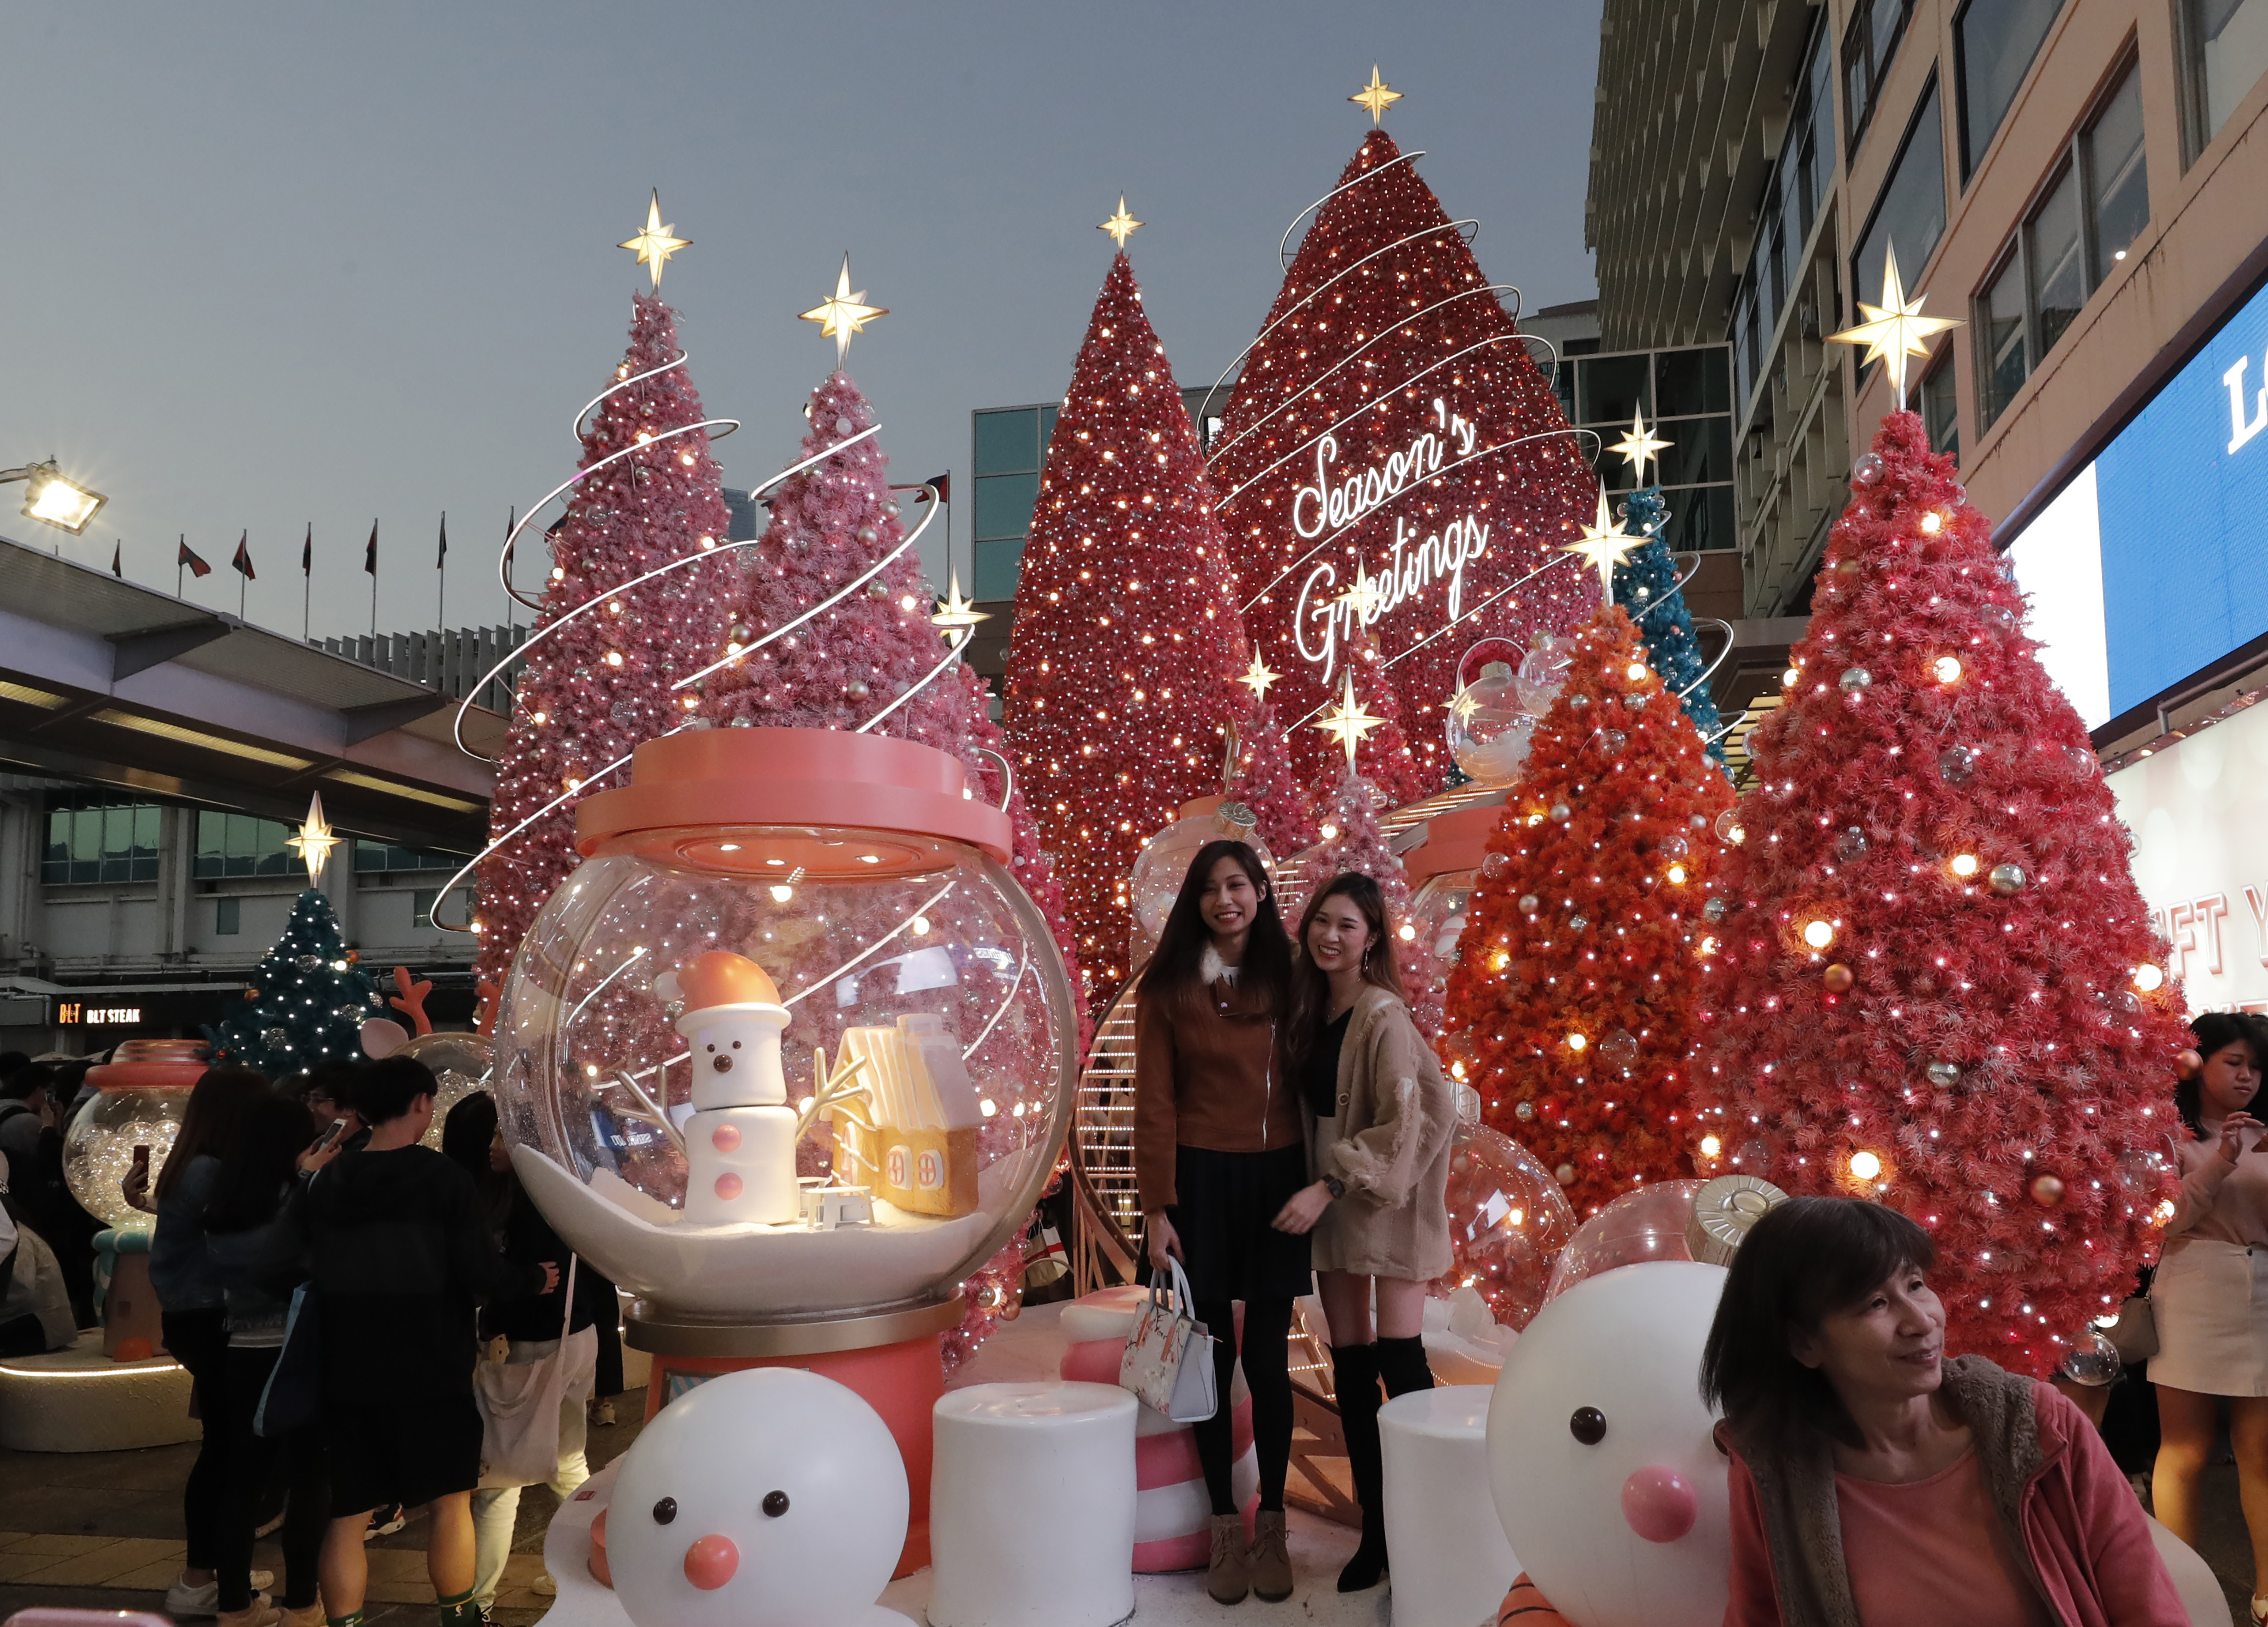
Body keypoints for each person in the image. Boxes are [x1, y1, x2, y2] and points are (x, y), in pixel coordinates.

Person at [1704, 1194, 2185, 1626]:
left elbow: (2144, 1601)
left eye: (1914, 1284)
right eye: (1874, 1303)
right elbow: (1758, 1614)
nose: (1920, 1320)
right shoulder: (1774, 1469)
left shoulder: (2039, 1425)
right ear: (1803, 1342)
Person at [303, 1055, 555, 1627]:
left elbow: (294, 1261)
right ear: (421, 1103)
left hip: (347, 1366)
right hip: (430, 1365)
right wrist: (534, 1279)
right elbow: (481, 1273)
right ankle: (459, 1619)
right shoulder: (442, 1178)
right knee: (449, 1500)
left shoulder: (329, 1179)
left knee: (348, 1512)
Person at [1269, 873, 1454, 1592]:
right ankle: (1376, 1533)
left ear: (1371, 937)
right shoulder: (1308, 1007)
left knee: (1402, 1367)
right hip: (1335, 1204)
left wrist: (1328, 1182)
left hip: (1384, 1201)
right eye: (1322, 920)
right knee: (1351, 1368)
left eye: (1348, 924)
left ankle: (1422, 1526)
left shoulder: (1384, 1015)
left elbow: (1404, 1121)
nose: (1331, 935)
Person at [1133, 839, 1303, 1606]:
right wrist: (1157, 1208)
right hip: (1199, 1182)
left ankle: (1274, 1524)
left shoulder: (1296, 976)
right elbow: (1155, 1101)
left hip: (1278, 1179)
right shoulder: (1169, 985)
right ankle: (1222, 1527)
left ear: (1262, 893)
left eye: (1237, 885)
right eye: (1209, 888)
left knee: (1267, 1359)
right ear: (1194, 901)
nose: (1224, 899)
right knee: (1208, 1358)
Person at [441, 1093, 602, 1618]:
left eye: (500, 1136)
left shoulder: (520, 1200)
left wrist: (511, 1282)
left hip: (534, 1347)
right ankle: (604, 1565)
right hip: (575, 1336)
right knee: (564, 1460)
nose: (491, 1146)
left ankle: (479, 1602)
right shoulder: (563, 1188)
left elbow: (515, 1280)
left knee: (501, 1481)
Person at [149, 1065, 279, 1618]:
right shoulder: (210, 1175)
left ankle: (215, 1568)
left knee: (222, 1449)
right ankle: (204, 1577)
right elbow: (250, 1246)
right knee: (231, 1454)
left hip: (190, 1317)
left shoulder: (191, 1166)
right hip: (213, 1318)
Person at [2152, 1010, 2268, 1619]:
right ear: (2198, 1065)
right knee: (2187, 1448)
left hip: (2265, 1291)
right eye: (2234, 1061)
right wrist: (2222, 1157)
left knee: (2262, 1448)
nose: (2248, 1075)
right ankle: (2178, 1591)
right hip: (2195, 1285)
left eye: (2255, 1065)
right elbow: (2165, 1224)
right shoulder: (2169, 1135)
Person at [204, 1093, 332, 1627]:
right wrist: (308, 1181)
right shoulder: (298, 1196)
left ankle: (233, 1604)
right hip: (298, 1348)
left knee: (241, 1479)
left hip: (240, 1348)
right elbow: (302, 1261)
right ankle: (303, 1603)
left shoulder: (223, 1198)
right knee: (309, 1480)